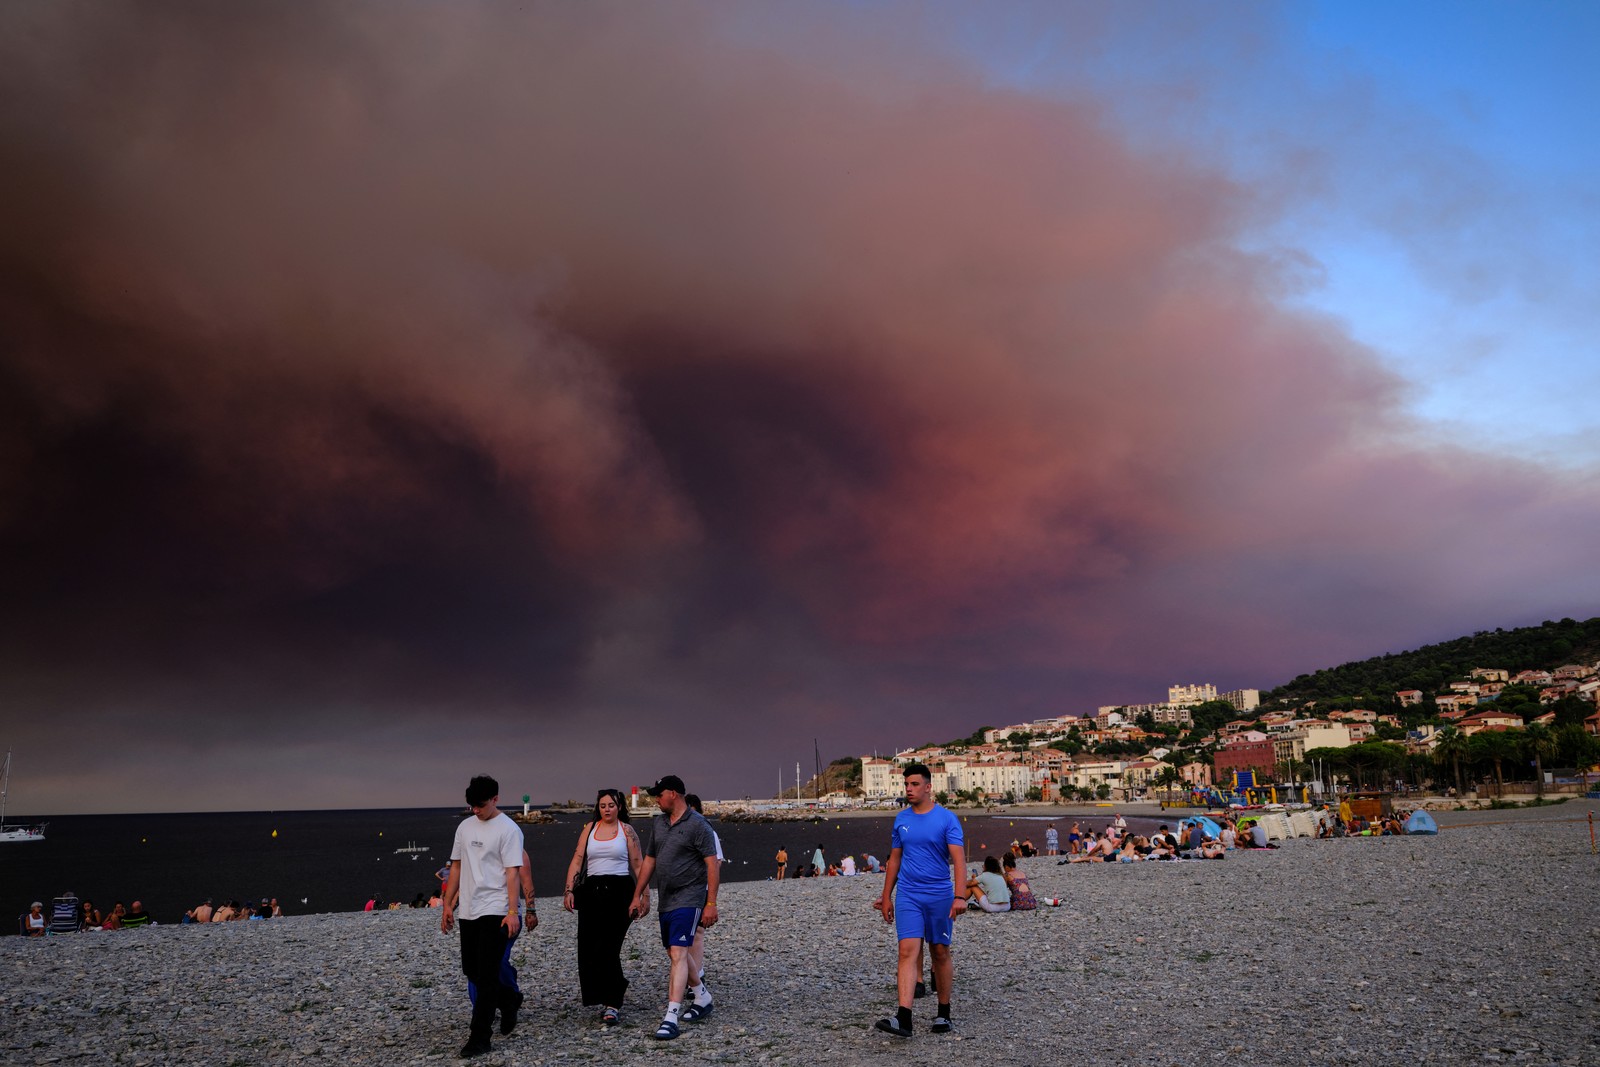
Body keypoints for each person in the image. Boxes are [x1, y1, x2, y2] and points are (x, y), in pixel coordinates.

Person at [872, 762, 964, 1038]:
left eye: (914, 785)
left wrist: (960, 895)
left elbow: (958, 861)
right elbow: (895, 859)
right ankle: (904, 1018)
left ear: (928, 787)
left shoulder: (947, 819)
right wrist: (886, 896)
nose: (909, 789)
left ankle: (943, 1014)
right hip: (908, 895)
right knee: (906, 951)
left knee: (939, 952)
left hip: (939, 895)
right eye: (906, 785)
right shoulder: (901, 819)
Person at [440, 774, 526, 1059]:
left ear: (495, 799)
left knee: (487, 975)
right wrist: (448, 905)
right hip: (469, 909)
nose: (476, 810)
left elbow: (513, 873)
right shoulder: (464, 828)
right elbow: (456, 868)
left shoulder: (509, 829)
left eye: (481, 805)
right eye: (472, 805)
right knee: (472, 971)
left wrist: (513, 912)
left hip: (496, 909)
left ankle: (480, 1038)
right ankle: (510, 999)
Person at [628, 775, 719, 1041]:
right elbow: (649, 861)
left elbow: (712, 865)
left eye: (659, 794)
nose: (656, 799)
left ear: (673, 794)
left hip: (690, 897)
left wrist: (711, 904)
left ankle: (671, 1017)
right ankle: (702, 996)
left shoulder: (699, 825)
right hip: (666, 899)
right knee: (673, 951)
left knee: (679, 951)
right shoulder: (659, 823)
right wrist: (638, 895)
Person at [564, 788, 643, 1026]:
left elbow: (638, 865)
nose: (607, 809)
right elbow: (578, 859)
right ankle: (610, 991)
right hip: (592, 892)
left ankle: (613, 1002)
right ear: (598, 807)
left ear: (619, 806)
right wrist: (568, 890)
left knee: (609, 948)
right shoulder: (589, 829)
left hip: (620, 892)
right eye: (602, 805)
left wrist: (643, 896)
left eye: (611, 805)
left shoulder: (627, 831)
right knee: (590, 949)